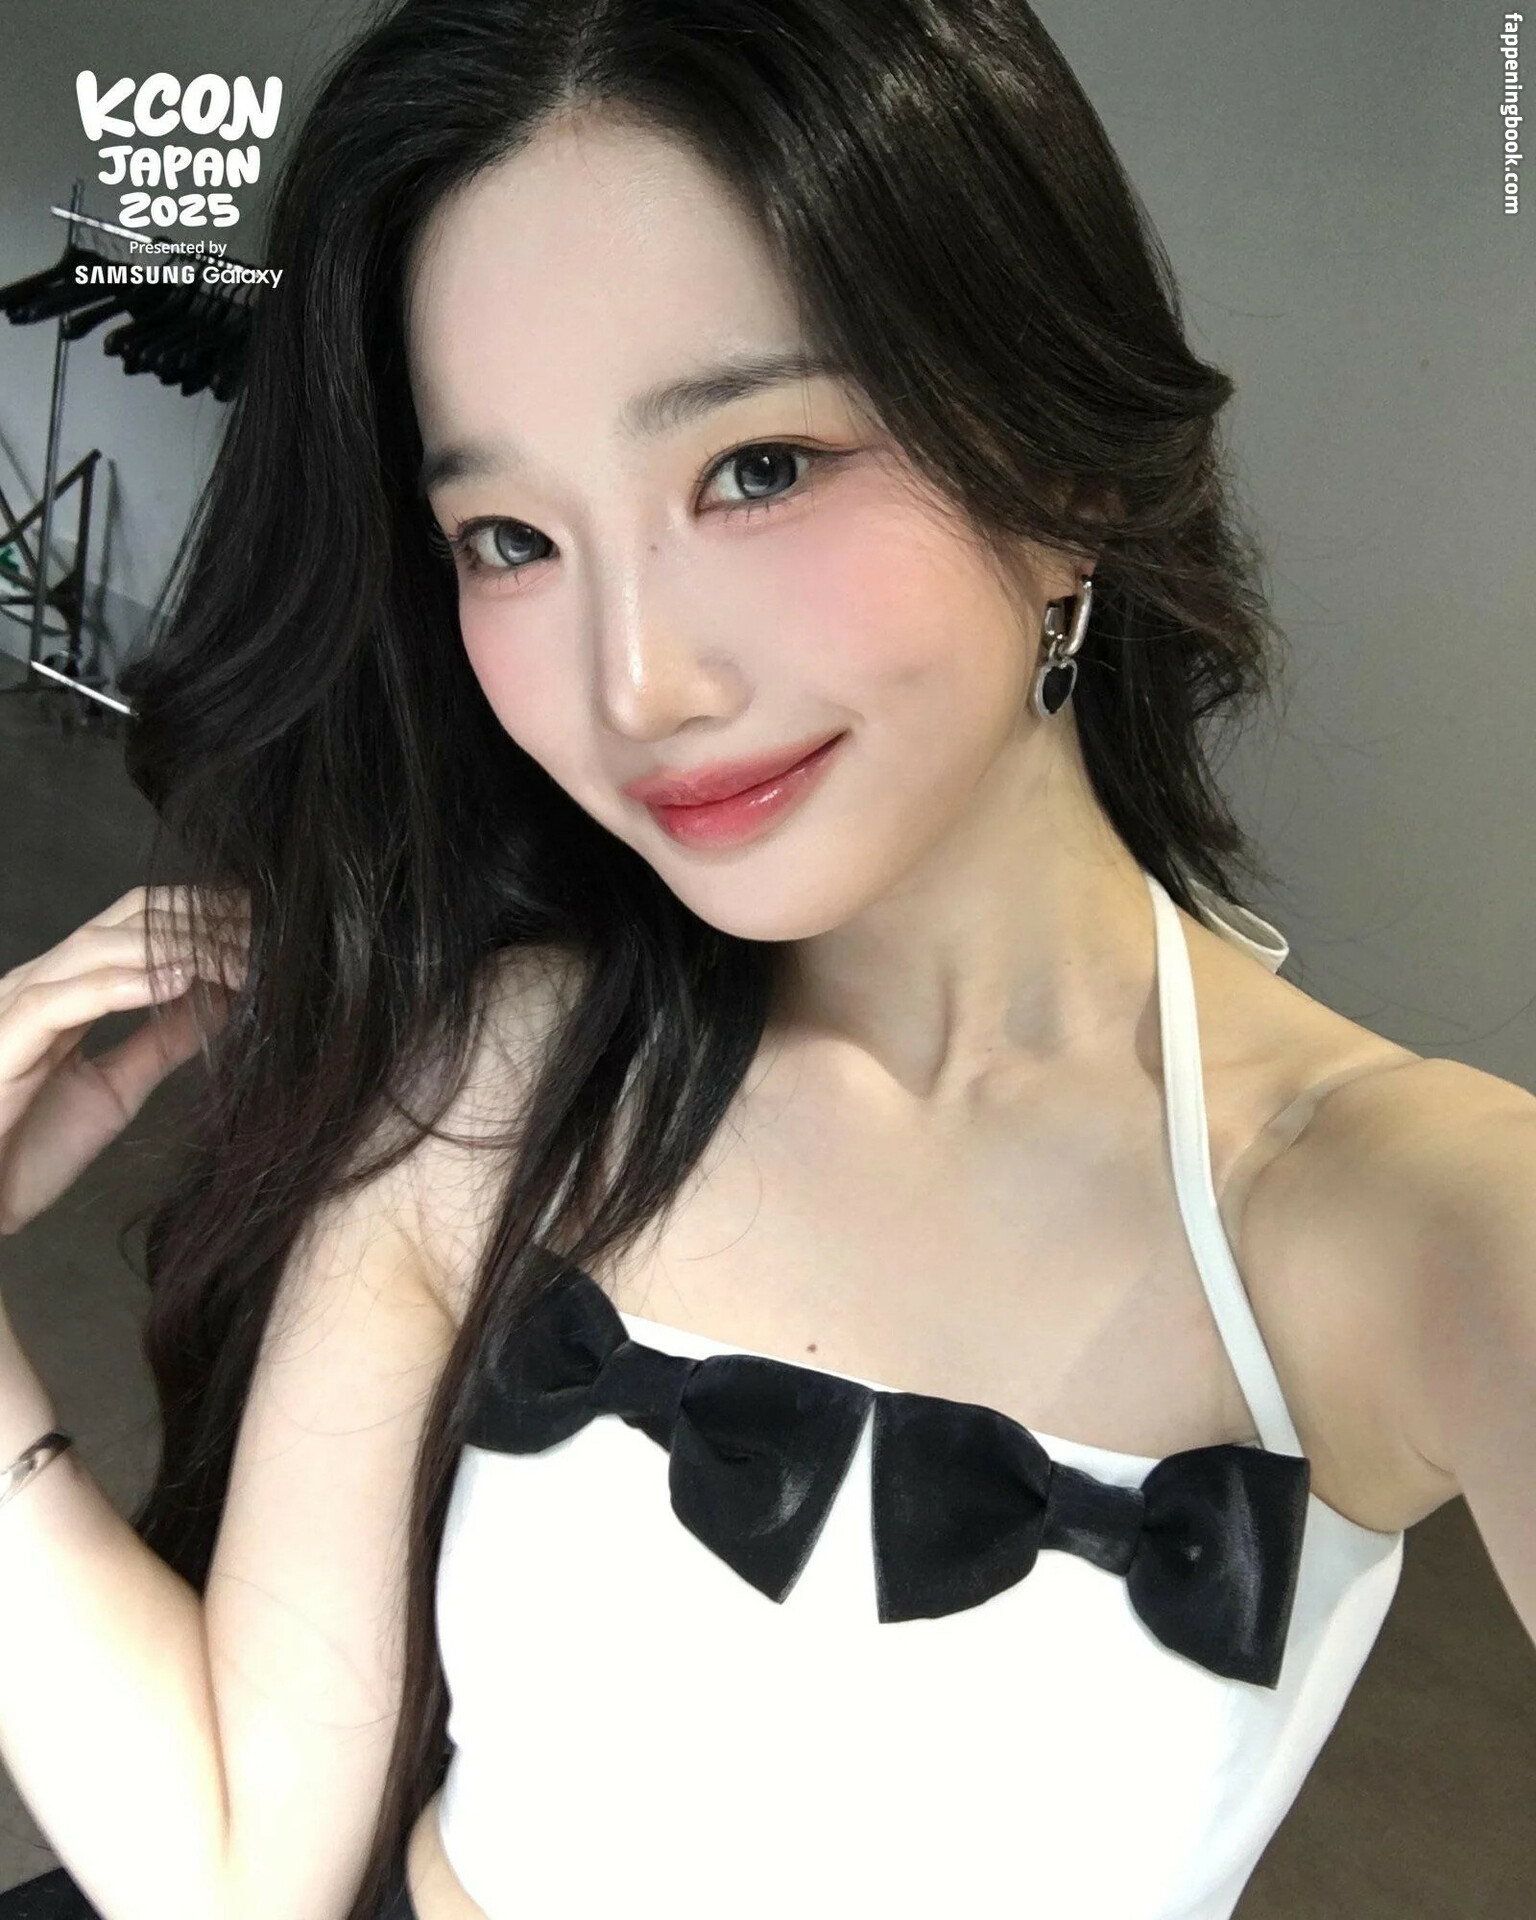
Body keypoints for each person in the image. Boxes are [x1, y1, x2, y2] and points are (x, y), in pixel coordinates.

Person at [0, 1, 1532, 1917]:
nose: (638, 684)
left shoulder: (1400, 1217)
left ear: (1067, 481)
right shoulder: (502, 1071)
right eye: (508, 537)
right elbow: (237, 1870)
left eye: (759, 467)